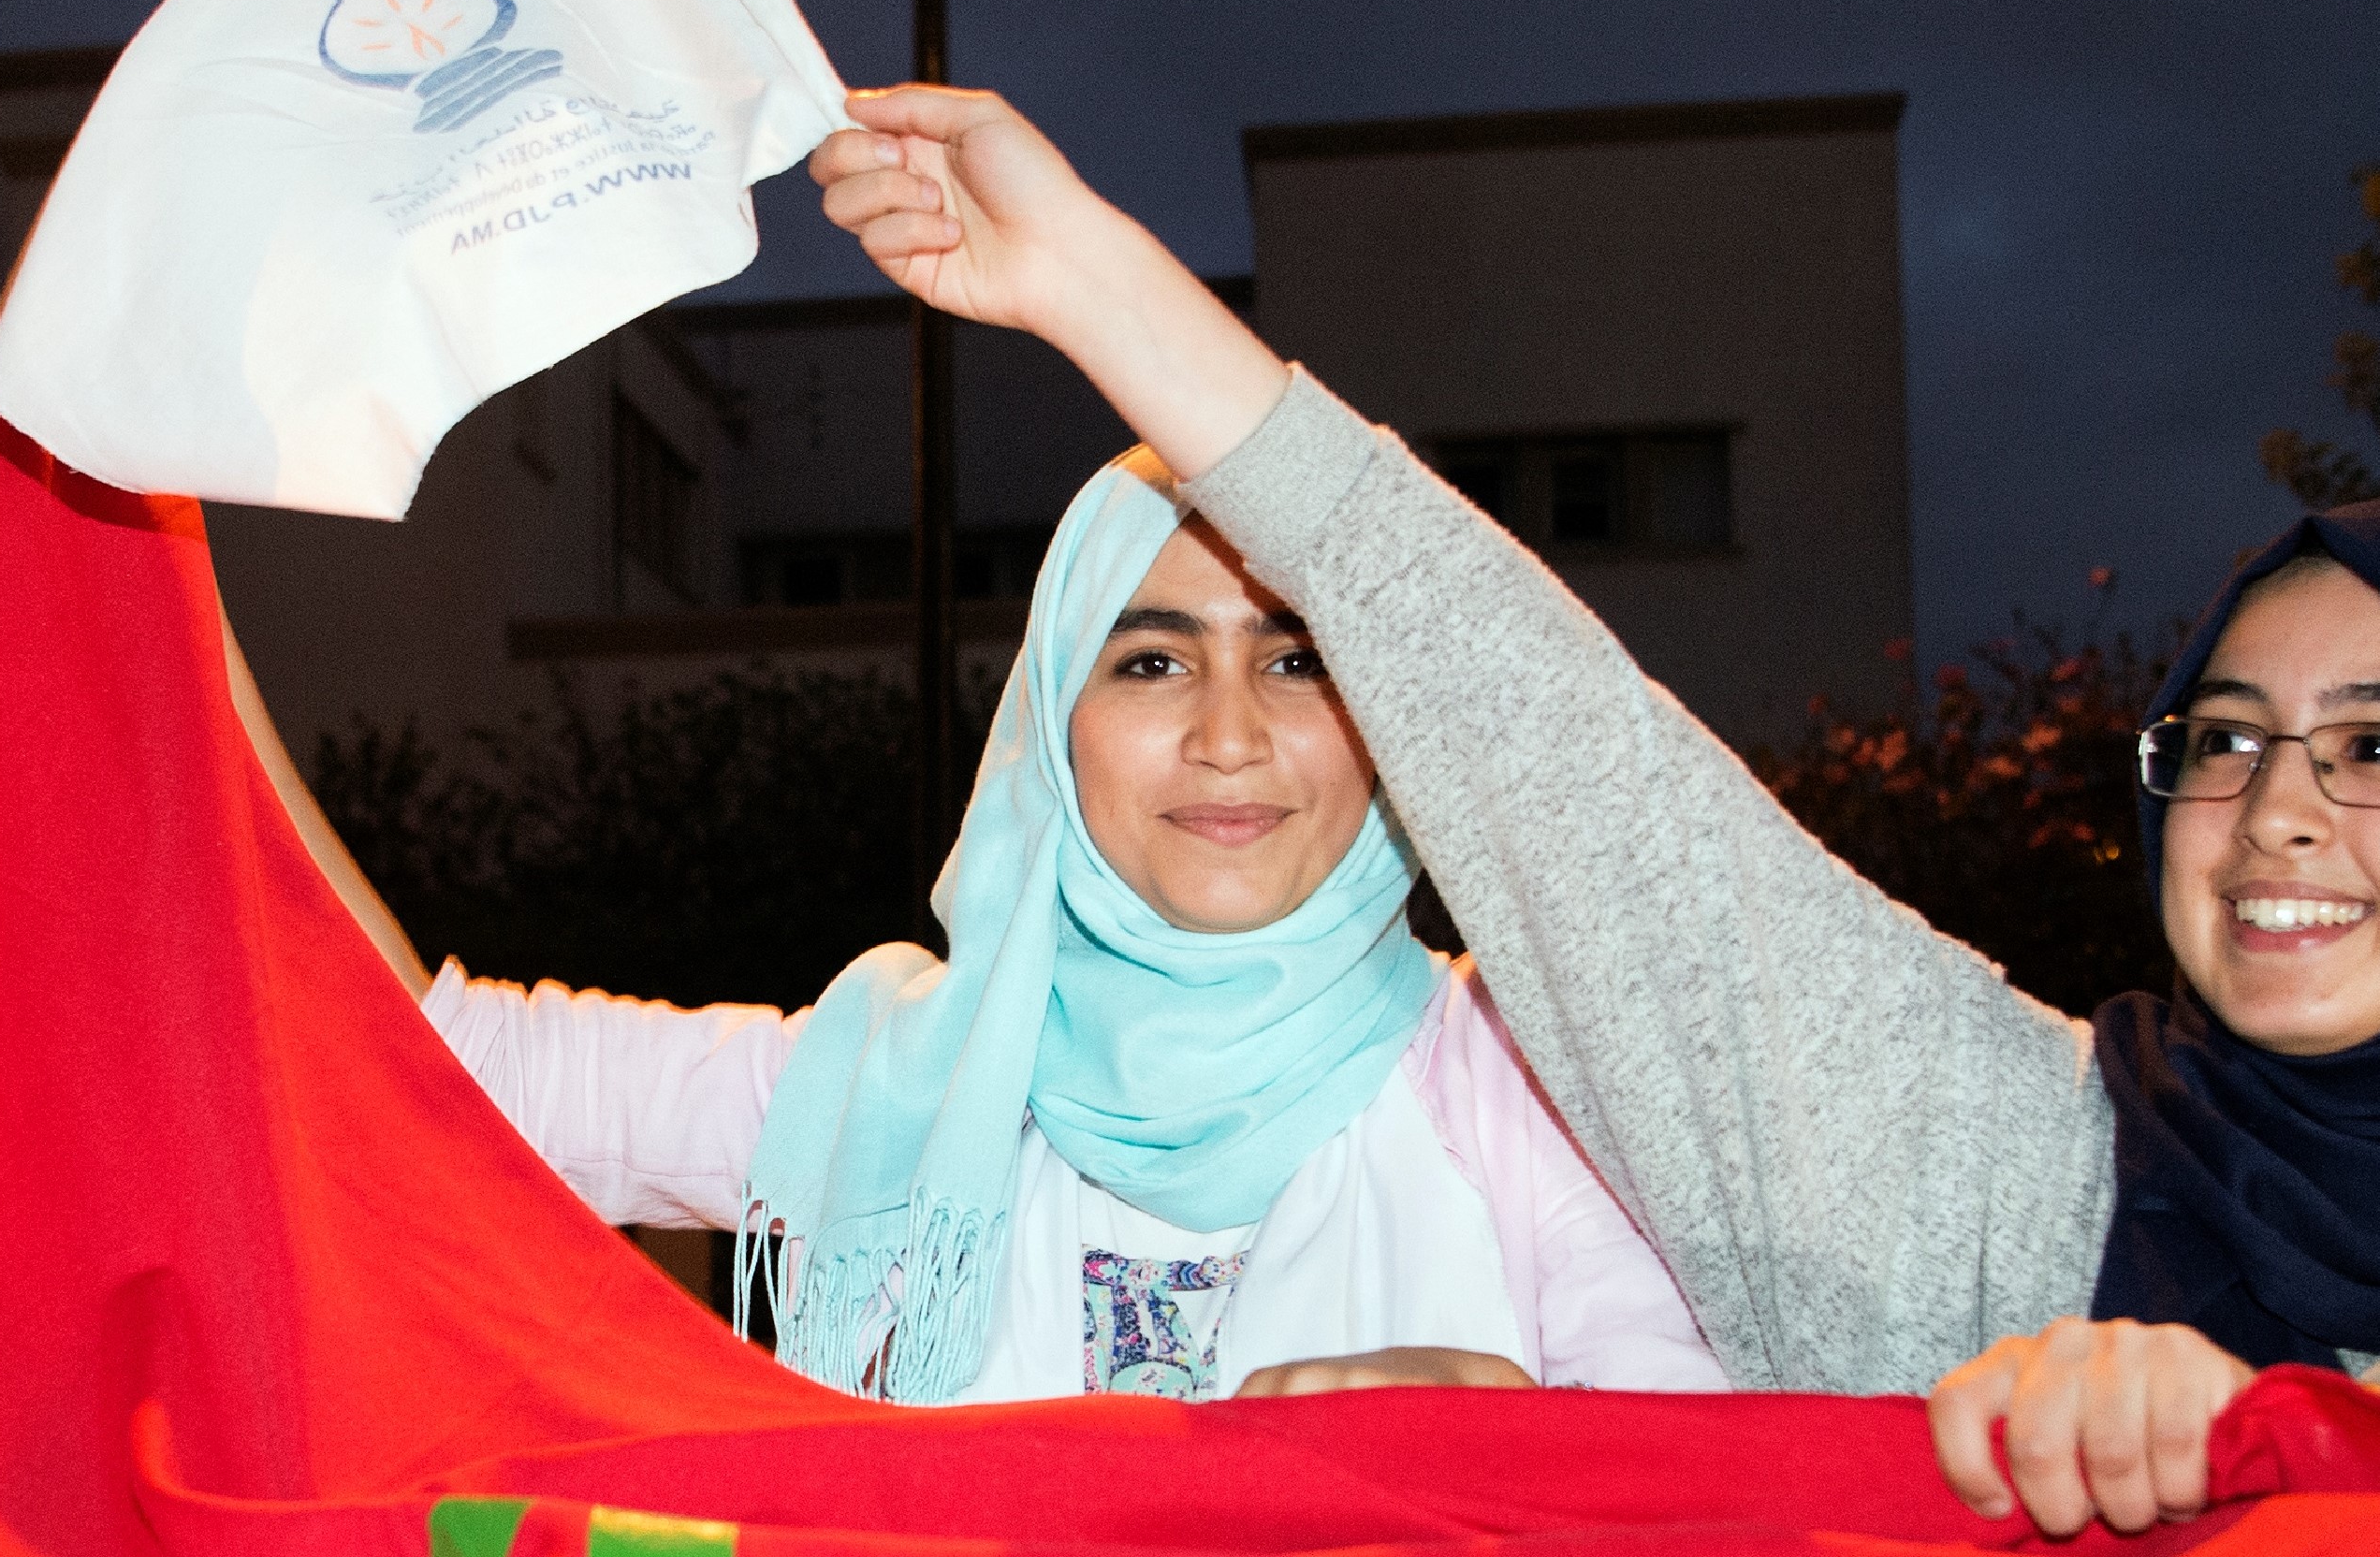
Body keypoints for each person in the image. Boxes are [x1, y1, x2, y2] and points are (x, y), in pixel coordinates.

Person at [805, 80, 2380, 1530]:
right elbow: (1586, 779)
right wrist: (1109, 295)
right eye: (2225, 737)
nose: (2277, 812)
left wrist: (2281, 1430)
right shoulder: (2009, 1166)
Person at [343, 449, 1725, 1405]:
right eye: (1152, 658)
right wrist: (150, 566)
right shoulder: (902, 1083)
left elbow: (1708, 1486)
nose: (1228, 735)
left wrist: (1531, 1445)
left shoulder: (1536, 1080)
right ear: (1053, 727)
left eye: (1297, 658)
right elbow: (404, 1060)